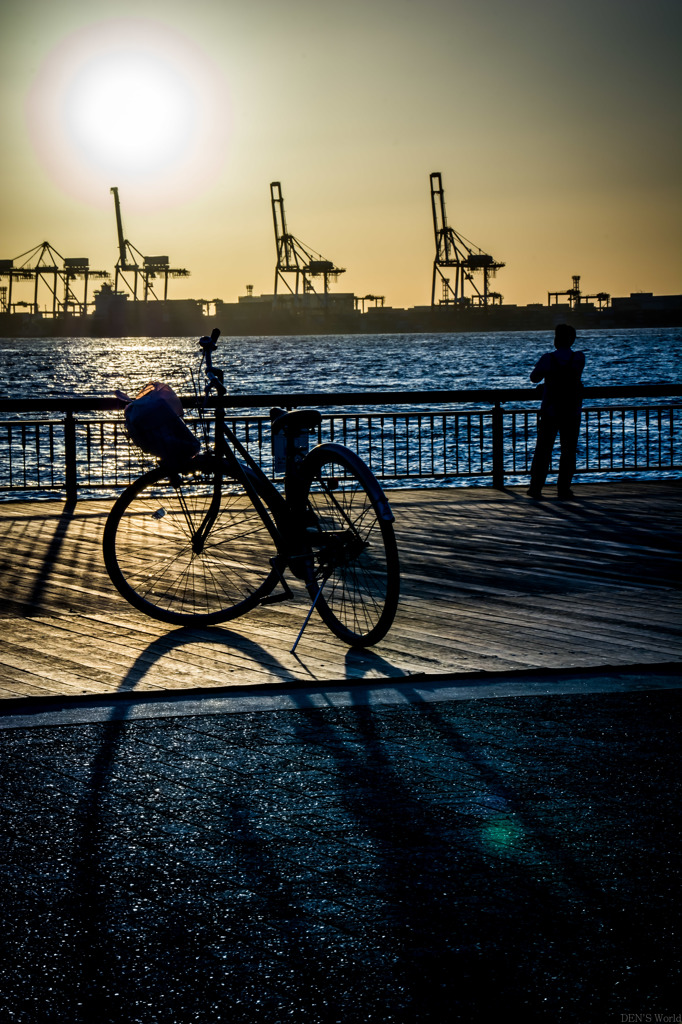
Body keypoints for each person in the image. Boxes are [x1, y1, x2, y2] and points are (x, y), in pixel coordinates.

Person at [527, 323, 585, 500]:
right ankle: (564, 488)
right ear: (572, 339)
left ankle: (536, 487)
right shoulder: (579, 358)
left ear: (556, 340)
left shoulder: (548, 359)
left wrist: (547, 383)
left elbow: (533, 378)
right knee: (569, 450)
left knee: (543, 450)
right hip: (572, 410)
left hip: (550, 410)